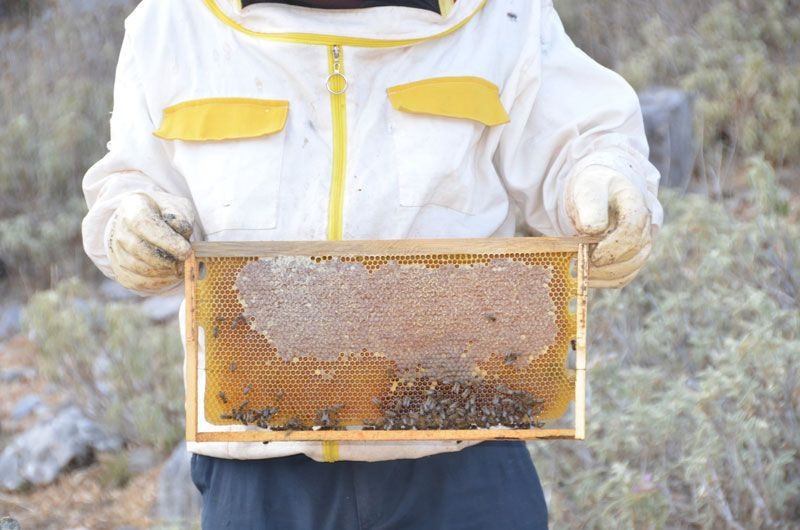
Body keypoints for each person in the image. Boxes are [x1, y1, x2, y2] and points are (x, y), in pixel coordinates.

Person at [81, 0, 663, 527]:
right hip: (259, 466)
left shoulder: (503, 18)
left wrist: (605, 183)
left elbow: (582, 138)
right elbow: (131, 175)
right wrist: (128, 223)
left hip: (462, 459)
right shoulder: (170, 24)